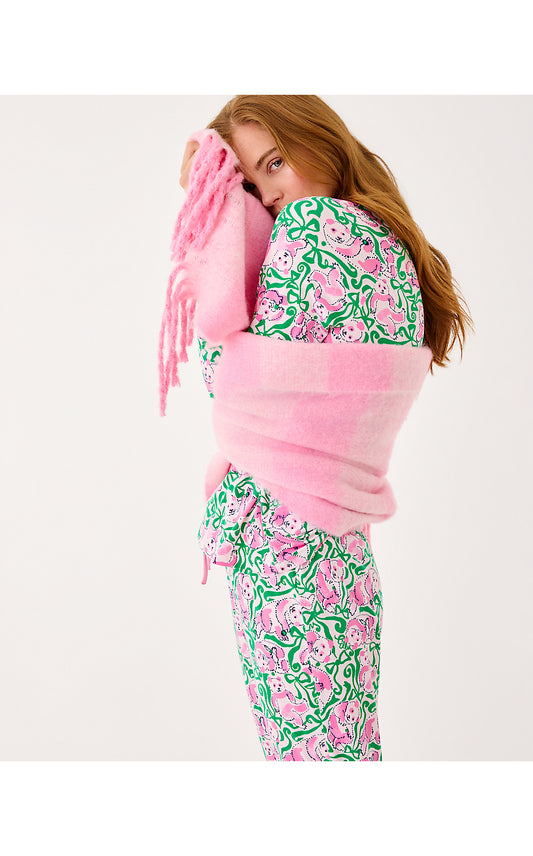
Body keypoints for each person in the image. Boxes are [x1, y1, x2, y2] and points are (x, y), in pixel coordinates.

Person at [178, 95, 474, 761]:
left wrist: (212, 207)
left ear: (318, 138)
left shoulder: (314, 227)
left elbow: (229, 378)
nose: (269, 196)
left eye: (274, 163)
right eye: (248, 185)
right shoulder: (389, 244)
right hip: (334, 553)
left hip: (288, 555)